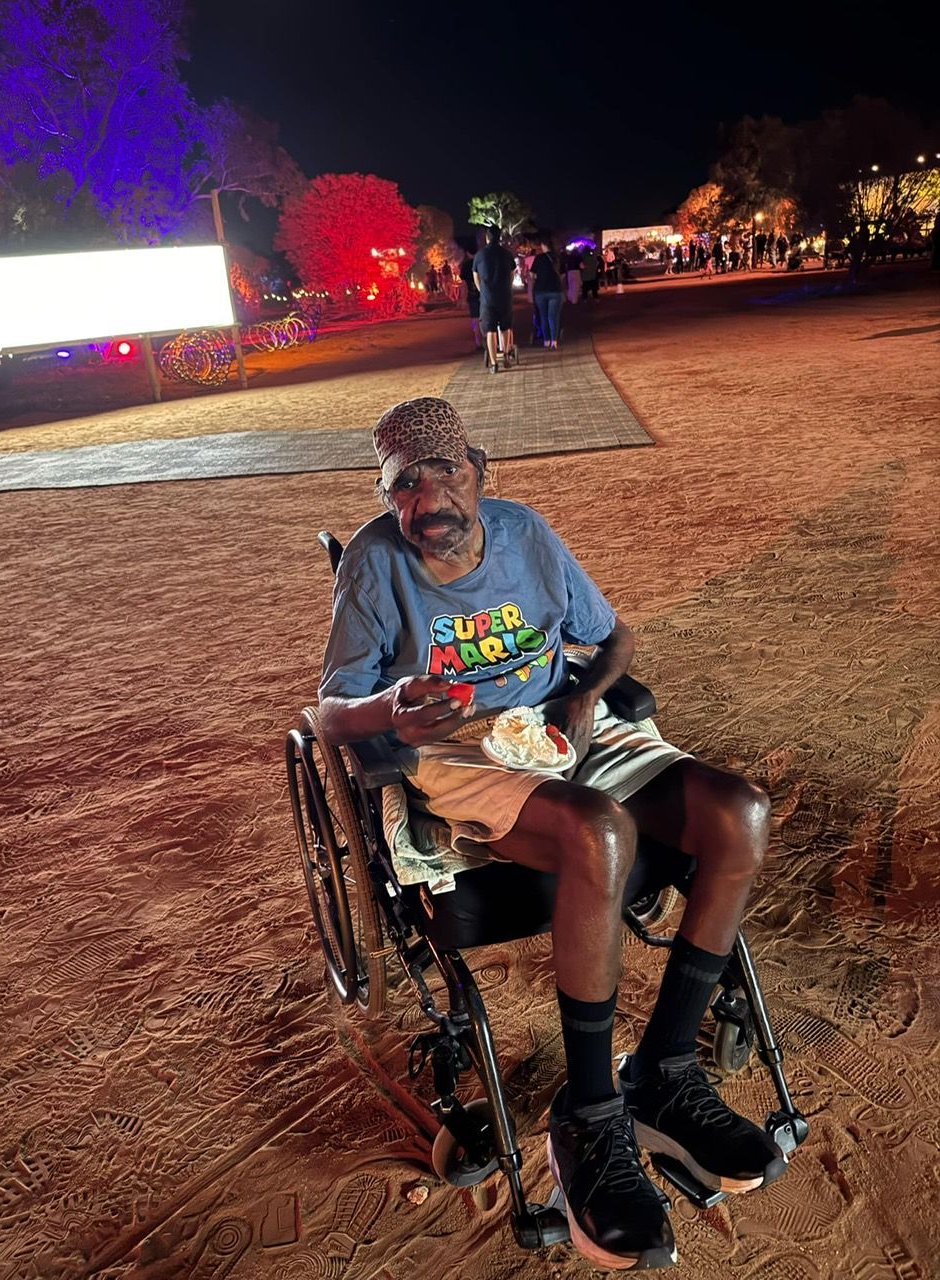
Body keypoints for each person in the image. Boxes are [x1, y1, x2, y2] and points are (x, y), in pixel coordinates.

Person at [318, 397, 788, 1273]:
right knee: (599, 833)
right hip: (457, 749)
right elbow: (328, 711)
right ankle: (591, 1112)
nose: (428, 500)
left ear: (479, 473)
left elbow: (613, 639)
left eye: (444, 472)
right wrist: (389, 709)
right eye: (404, 486)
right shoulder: (377, 566)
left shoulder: (528, 535)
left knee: (740, 813)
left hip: (562, 727)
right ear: (388, 499)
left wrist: (580, 695)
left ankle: (667, 1069)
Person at [473, 225, 517, 373]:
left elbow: (476, 278)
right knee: (505, 327)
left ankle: (493, 363)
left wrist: (483, 291)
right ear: (500, 237)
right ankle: (505, 354)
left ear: (487, 238)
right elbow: (512, 275)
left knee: (490, 330)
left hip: (487, 298)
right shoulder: (507, 254)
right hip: (504, 296)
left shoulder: (479, 256)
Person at [530, 234, 565, 348]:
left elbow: (532, 274)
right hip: (556, 290)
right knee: (553, 316)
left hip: (541, 291)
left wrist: (539, 277)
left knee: (544, 316)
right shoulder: (558, 257)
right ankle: (554, 341)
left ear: (544, 245)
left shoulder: (539, 258)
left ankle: (546, 340)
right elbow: (563, 274)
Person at [458, 245, 483, 350]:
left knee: (475, 320)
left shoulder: (466, 266)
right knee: (487, 318)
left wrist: (463, 299)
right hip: (485, 295)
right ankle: (489, 339)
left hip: (472, 295)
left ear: (467, 252)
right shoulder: (482, 262)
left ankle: (478, 342)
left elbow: (464, 285)